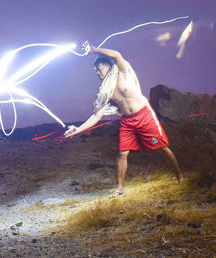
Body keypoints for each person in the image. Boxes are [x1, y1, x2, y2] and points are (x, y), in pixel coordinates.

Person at [64, 42, 183, 195]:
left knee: (161, 147)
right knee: (122, 153)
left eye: (98, 69)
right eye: (95, 71)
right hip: (128, 122)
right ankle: (119, 189)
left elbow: (116, 54)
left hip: (144, 116)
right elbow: (97, 115)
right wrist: (77, 130)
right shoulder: (105, 92)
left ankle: (179, 176)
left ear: (107, 66)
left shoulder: (122, 71)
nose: (97, 73)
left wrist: (94, 50)